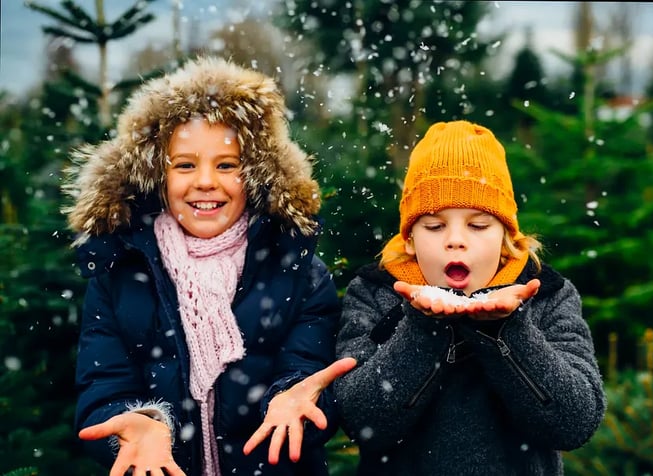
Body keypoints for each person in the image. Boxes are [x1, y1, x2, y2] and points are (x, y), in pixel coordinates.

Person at [63, 56, 356, 476]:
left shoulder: (298, 270)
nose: (205, 181)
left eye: (226, 165)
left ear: (255, 173)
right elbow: (103, 386)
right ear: (156, 175)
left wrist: (294, 400)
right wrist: (138, 426)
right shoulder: (120, 273)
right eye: (185, 164)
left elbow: (308, 373)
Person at [334, 120, 606, 475]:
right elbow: (360, 421)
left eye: (478, 225)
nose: (456, 240)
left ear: (506, 235)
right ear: (411, 238)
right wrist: (422, 327)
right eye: (434, 226)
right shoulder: (374, 295)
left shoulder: (548, 295)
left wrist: (507, 331)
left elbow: (575, 422)